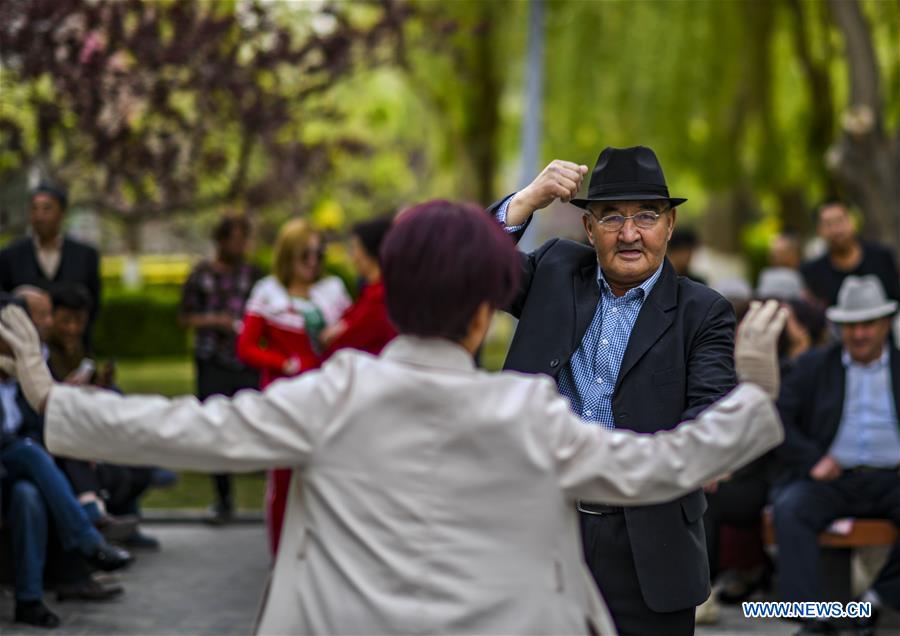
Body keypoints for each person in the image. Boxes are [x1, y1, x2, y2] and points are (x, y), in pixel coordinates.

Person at [0, 200, 786, 635]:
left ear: (392, 298)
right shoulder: (524, 413)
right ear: (485, 315)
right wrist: (752, 399)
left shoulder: (333, 396)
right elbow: (661, 466)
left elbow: (180, 427)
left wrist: (49, 396)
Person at [490, 146, 737, 635]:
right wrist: (526, 200)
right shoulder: (557, 270)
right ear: (588, 229)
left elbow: (710, 416)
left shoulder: (703, 312)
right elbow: (467, 270)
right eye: (611, 218)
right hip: (544, 527)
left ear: (669, 224)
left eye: (646, 216)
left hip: (651, 541)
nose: (629, 234)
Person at [773, 275, 900, 636]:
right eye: (851, 326)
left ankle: (874, 601)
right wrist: (813, 459)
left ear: (886, 324)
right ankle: (815, 618)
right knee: (790, 506)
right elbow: (777, 416)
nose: (859, 334)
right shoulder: (814, 366)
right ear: (839, 327)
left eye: (868, 324)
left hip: (891, 478)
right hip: (834, 478)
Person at [236, 218, 350, 556]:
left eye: (319, 253)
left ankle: (323, 554)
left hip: (329, 396)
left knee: (330, 478)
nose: (314, 261)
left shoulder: (332, 291)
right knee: (284, 479)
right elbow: (246, 346)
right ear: (288, 255)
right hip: (285, 398)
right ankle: (281, 556)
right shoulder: (267, 292)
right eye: (305, 254)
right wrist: (283, 363)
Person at [179, 214, 262, 524]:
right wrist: (215, 321)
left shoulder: (253, 275)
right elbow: (184, 317)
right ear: (221, 240)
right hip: (212, 358)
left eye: (244, 239)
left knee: (255, 421)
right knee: (216, 424)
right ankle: (223, 498)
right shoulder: (201, 275)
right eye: (235, 239)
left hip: (245, 360)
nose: (241, 246)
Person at [0, 181, 101, 347]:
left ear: (62, 213)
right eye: (34, 209)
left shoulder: (86, 255)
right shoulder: (9, 255)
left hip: (73, 349)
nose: (39, 216)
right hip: (25, 348)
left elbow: (94, 303)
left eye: (47, 209)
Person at [800, 201, 900, 308]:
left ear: (852, 221)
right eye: (828, 224)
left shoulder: (881, 257)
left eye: (840, 220)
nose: (836, 230)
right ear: (819, 230)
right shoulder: (812, 272)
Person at [321, 216, 397, 356]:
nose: (352, 257)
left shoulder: (380, 297)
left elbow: (344, 342)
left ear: (368, 251)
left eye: (355, 248)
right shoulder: (371, 290)